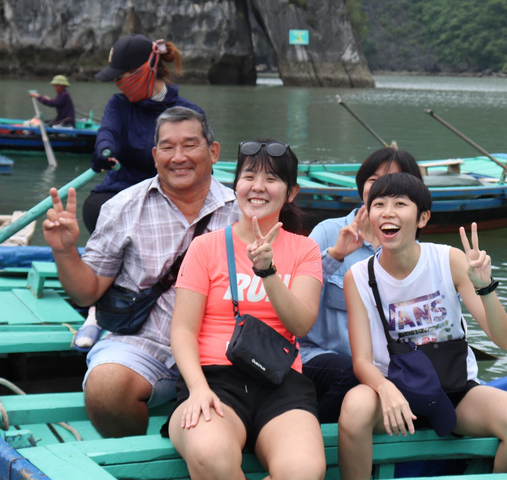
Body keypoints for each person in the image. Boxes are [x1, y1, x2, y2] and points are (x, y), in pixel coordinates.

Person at [42, 106, 240, 438]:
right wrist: (64, 251)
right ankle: (135, 462)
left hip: (223, 347)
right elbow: (86, 292)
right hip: (144, 343)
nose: (179, 157)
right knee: (105, 389)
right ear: (154, 154)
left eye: (190, 145)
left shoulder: (243, 211)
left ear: (214, 151)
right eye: (167, 146)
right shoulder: (122, 207)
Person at [338, 172, 507, 478]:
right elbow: (362, 360)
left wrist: (485, 287)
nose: (388, 212)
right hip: (393, 396)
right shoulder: (358, 277)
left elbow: (505, 340)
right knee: (354, 407)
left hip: (454, 393)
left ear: (422, 218)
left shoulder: (449, 260)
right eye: (378, 204)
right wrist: (385, 390)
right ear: (369, 214)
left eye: (400, 204)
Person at [165, 139, 326, 480]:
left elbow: (300, 324)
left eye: (272, 179)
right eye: (249, 176)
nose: (258, 187)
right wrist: (197, 389)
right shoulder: (205, 247)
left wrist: (268, 272)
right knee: (211, 455)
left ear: (291, 192)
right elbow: (181, 330)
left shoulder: (305, 250)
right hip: (214, 379)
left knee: (304, 471)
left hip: (280, 381)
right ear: (235, 184)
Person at [299, 147, 424, 423]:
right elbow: (296, 295)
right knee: (356, 374)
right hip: (321, 356)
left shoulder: (413, 252)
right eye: (374, 180)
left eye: (395, 181)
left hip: (382, 366)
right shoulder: (328, 232)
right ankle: (312, 433)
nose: (384, 188)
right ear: (361, 188)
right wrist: (337, 255)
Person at [84, 33, 205, 234]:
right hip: (121, 190)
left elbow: (200, 167)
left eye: (121, 78)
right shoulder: (119, 104)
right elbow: (108, 132)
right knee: (94, 208)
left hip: (170, 196)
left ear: (142, 71)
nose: (118, 84)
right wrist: (104, 151)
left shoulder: (189, 113)